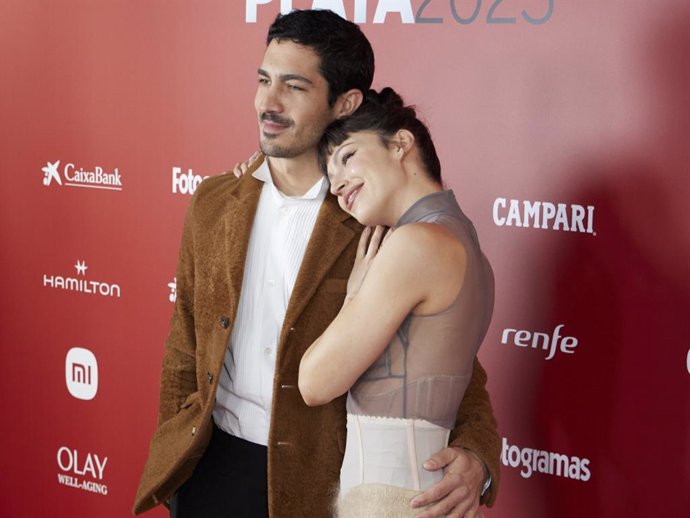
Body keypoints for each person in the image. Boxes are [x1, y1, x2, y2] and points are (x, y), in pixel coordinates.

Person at [132, 9, 499, 518]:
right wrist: (176, 459)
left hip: (318, 487)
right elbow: (184, 345)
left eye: (294, 86)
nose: (268, 102)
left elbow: (454, 358)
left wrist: (479, 454)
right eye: (263, 80)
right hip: (209, 473)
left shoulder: (375, 218)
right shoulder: (214, 202)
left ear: (344, 102)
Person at [297, 87, 496, 517]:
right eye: (330, 176)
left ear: (401, 143)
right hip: (417, 495)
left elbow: (314, 383)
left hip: (389, 502)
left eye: (347, 156)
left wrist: (354, 296)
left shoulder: (415, 244)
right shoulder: (469, 248)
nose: (337, 185)